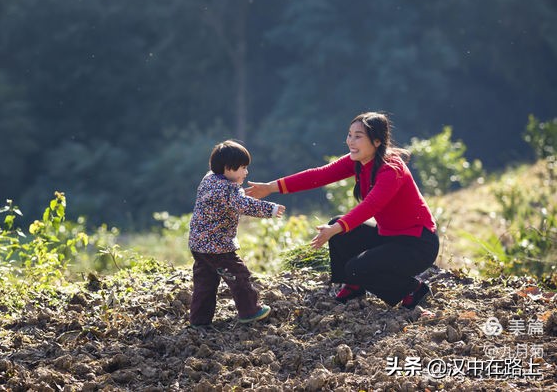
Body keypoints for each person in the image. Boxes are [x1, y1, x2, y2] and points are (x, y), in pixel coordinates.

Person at [245, 112, 439, 309]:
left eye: (358, 136)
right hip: (389, 236)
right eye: (349, 135)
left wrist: (337, 228)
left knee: (354, 263)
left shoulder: (391, 169)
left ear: (377, 141)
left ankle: (413, 289)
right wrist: (270, 187)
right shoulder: (358, 160)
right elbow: (319, 175)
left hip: (417, 244)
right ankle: (354, 286)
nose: (350, 141)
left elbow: (370, 206)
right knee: (338, 229)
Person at [188, 140, 286, 327]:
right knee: (239, 275)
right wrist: (270, 209)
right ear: (227, 168)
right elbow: (243, 204)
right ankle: (250, 310)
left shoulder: (209, 179)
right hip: (217, 247)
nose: (246, 172)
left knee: (205, 283)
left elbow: (235, 201)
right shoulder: (227, 189)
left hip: (198, 245)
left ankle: (199, 320)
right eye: (242, 167)